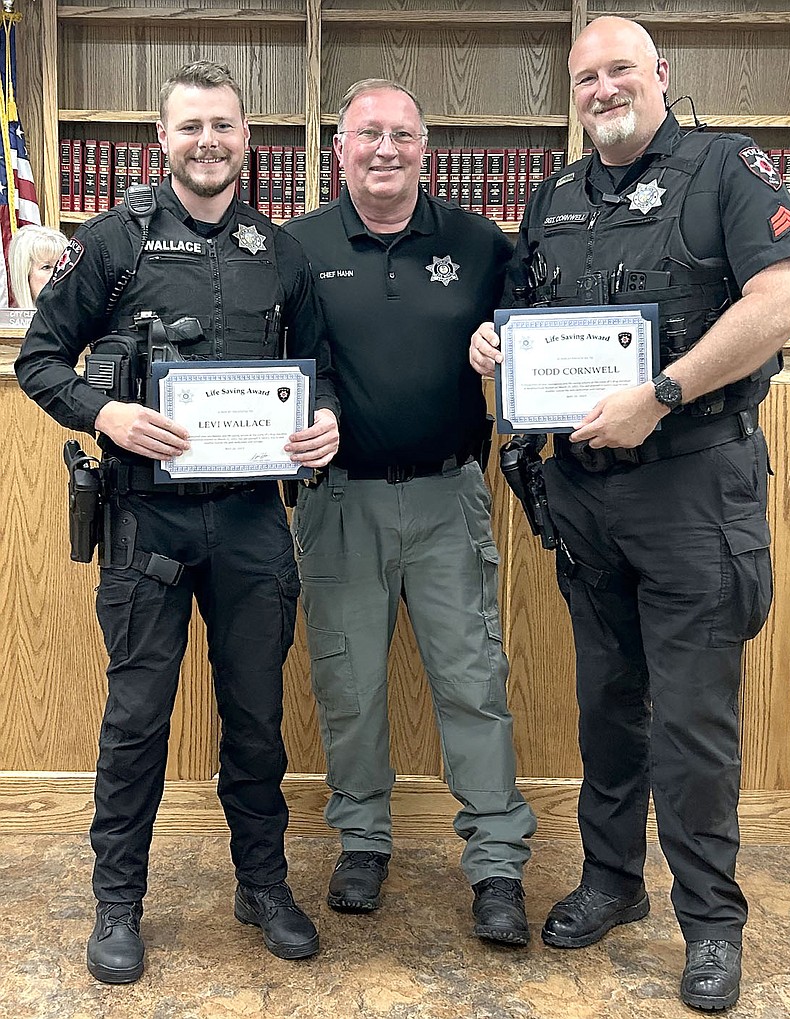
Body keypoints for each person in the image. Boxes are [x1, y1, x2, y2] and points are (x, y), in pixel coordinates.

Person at [470, 16, 790, 1012]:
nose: (602, 88)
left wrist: (657, 392)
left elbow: (780, 297)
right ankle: (611, 881)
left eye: (619, 69)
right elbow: (524, 314)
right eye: (584, 77)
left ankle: (710, 922)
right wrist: (495, 343)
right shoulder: (556, 196)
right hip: (583, 495)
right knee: (605, 707)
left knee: (691, 720)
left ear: (658, 73)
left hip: (692, 485)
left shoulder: (725, 168)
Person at [15, 60, 340, 983]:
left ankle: (263, 883)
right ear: (163, 140)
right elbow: (41, 361)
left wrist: (325, 425)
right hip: (146, 525)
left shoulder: (279, 254)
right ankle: (117, 900)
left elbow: (317, 376)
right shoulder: (111, 242)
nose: (208, 142)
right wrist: (102, 414)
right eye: (190, 126)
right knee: (137, 720)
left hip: (248, 523)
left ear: (248, 141)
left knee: (258, 717)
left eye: (224, 126)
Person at [283, 78, 537, 947]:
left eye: (401, 135)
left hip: (447, 495)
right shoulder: (297, 245)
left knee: (474, 681)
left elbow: (535, 325)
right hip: (337, 499)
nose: (384, 149)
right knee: (348, 683)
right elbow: (289, 356)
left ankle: (498, 862)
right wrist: (310, 408)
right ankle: (362, 838)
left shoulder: (477, 242)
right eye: (368, 135)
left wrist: (500, 344)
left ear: (425, 148)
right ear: (340, 149)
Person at [8, 224, 68, 306]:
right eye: (46, 267)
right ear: (25, 275)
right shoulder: (6, 318)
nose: (58, 274)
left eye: (62, 265)